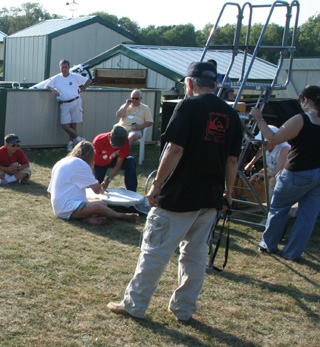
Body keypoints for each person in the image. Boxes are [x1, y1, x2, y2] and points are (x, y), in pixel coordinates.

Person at [107, 61, 242, 322]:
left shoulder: (188, 106)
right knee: (195, 256)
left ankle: (135, 305)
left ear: (190, 83)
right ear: (215, 85)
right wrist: (228, 192)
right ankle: (183, 309)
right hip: (210, 197)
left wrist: (157, 184)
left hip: (179, 195)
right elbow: (232, 161)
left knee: (155, 250)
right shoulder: (231, 114)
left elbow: (174, 149)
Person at [251, 85, 320, 261]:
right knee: (307, 216)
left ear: (305, 100)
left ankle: (269, 244)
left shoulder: (301, 119)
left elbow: (273, 138)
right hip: (318, 174)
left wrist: (259, 119)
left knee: (278, 208)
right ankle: (293, 252)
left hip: (297, 172)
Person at [47, 141, 137, 225]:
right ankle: (120, 215)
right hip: (68, 206)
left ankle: (86, 218)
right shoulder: (81, 163)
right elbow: (97, 190)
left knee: (103, 203)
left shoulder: (60, 162)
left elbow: (50, 193)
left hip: (59, 206)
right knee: (98, 207)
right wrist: (98, 184)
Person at [44, 59, 91, 151]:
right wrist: (53, 90)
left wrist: (81, 90)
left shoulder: (75, 77)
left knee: (73, 124)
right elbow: (46, 86)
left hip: (75, 101)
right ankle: (79, 139)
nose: (64, 69)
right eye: (62, 67)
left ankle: (70, 143)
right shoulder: (57, 78)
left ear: (69, 67)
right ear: (60, 68)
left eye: (66, 67)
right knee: (65, 125)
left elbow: (88, 81)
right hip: (64, 103)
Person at [243, 125, 290, 200]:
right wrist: (250, 164)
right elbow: (260, 151)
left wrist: (258, 175)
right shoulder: (265, 147)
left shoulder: (284, 148)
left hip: (293, 176)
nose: (261, 146)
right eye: (259, 144)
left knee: (273, 181)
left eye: (264, 143)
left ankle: (272, 209)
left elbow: (278, 172)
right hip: (281, 175)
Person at [93, 126, 137, 192]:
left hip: (113, 160)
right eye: (113, 144)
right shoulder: (98, 141)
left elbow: (119, 163)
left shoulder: (125, 141)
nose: (115, 147)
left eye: (119, 145)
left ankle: (131, 192)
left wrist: (108, 180)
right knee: (94, 187)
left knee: (130, 161)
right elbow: (91, 163)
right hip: (99, 164)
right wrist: (94, 180)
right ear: (109, 137)